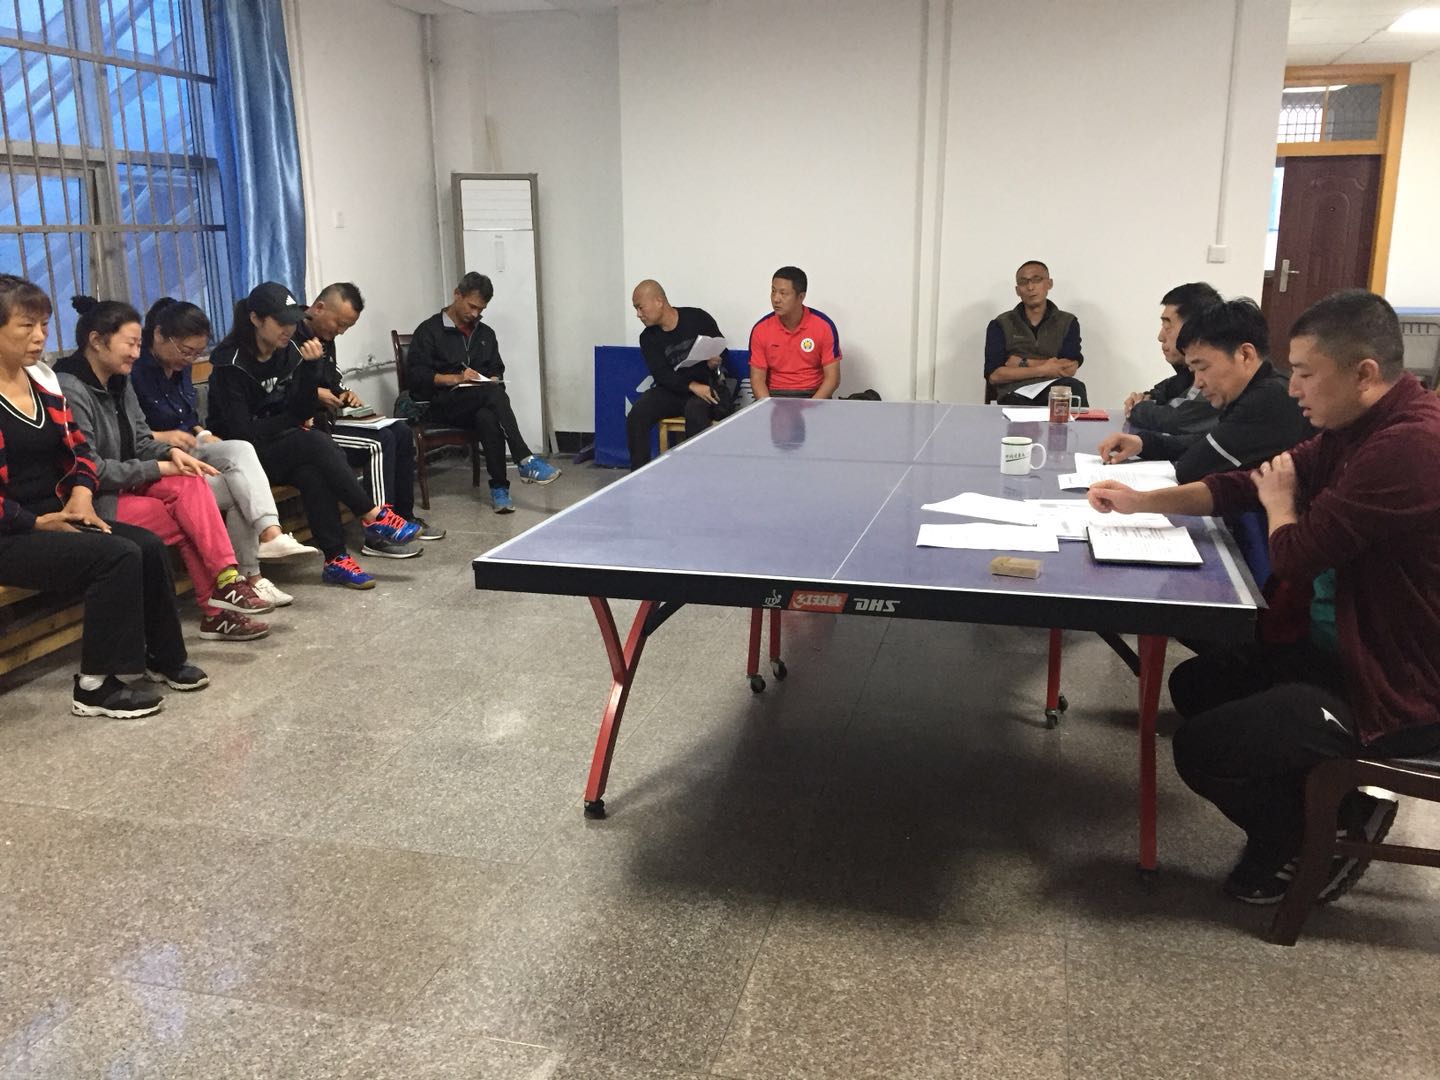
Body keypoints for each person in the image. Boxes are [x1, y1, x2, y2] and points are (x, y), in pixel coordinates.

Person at [1088, 289, 1440, 905]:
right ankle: (1330, 796)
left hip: (1400, 688)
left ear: (1364, 374)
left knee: (1203, 749)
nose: (1293, 388)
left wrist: (1280, 503)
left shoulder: (1409, 446)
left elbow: (1295, 553)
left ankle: (1321, 836)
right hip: (1351, 649)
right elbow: (1244, 484)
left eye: (1305, 373)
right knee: (1198, 685)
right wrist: (1142, 502)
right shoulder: (1357, 426)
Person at [0, 276, 207, 716]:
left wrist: (80, 494)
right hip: (11, 530)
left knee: (146, 545)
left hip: (57, 514)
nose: (39, 336)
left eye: (44, 324)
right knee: (115, 556)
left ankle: (163, 657)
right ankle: (94, 685)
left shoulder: (41, 381)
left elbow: (79, 451)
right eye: (25, 326)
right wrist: (34, 522)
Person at [57, 297, 275, 642]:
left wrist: (172, 454)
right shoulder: (70, 388)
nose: (136, 353)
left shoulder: (119, 381)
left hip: (128, 485)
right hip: (97, 500)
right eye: (130, 344)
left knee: (190, 482)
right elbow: (92, 469)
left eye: (138, 345)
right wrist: (158, 466)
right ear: (96, 341)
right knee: (188, 517)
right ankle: (217, 610)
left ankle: (228, 582)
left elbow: (142, 440)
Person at [207, 282, 421, 589]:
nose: (289, 329)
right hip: (240, 458)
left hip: (277, 444)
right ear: (255, 319)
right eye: (281, 322)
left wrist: (310, 368)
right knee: (313, 441)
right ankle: (372, 514)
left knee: (312, 472)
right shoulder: (231, 363)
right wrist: (290, 420)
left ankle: (336, 560)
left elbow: (302, 408)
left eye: (292, 321)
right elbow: (243, 433)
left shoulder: (287, 352)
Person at [130, 297, 318, 608]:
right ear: (160, 335)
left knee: (240, 448)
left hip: (191, 446)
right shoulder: (133, 374)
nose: (190, 359)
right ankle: (250, 576)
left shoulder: (179, 368)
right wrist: (164, 437)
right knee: (235, 486)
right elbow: (130, 435)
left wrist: (203, 434)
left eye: (196, 353)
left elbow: (188, 419)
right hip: (158, 458)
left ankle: (270, 535)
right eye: (185, 351)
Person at [290, 282, 443, 544]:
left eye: (347, 327)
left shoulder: (326, 338)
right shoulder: (289, 337)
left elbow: (331, 381)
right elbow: (285, 388)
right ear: (319, 308)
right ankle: (378, 534)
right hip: (308, 428)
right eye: (339, 324)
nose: (340, 332)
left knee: (400, 431)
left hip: (329, 420)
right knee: (379, 442)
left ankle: (403, 516)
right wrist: (314, 393)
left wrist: (343, 393)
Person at [1096, 299, 1311, 485]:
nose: (1197, 383)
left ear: (1245, 355)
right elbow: (1206, 440)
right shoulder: (1261, 387)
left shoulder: (1268, 399)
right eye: (1193, 370)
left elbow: (1190, 469)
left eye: (1203, 368)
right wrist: (1143, 444)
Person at [406, 272, 561, 513]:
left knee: (487, 414)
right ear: (457, 295)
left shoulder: (485, 334)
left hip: (475, 402)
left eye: (481, 309)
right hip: (440, 405)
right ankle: (524, 459)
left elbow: (496, 369)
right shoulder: (429, 331)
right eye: (472, 306)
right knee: (491, 395)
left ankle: (500, 489)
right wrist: (457, 378)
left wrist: (493, 378)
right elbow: (417, 377)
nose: (475, 313)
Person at [626, 279, 732, 469]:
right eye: (636, 309)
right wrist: (691, 386)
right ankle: (637, 473)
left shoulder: (698, 318)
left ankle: (695, 472)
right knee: (638, 413)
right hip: (674, 390)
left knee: (695, 410)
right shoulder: (648, 337)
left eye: (641, 308)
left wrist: (715, 360)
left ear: (659, 301)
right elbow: (662, 375)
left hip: (705, 386)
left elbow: (722, 349)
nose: (638, 314)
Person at [1123, 282, 1224, 435]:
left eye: (1168, 326)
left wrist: (1138, 408)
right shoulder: (1187, 373)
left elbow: (1176, 421)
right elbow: (1166, 389)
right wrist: (1149, 398)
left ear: (1193, 328)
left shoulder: (1219, 378)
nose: (1160, 337)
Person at [983, 260, 1086, 406]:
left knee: (1074, 389)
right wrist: (1043, 369)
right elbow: (995, 375)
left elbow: (1069, 368)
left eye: (1037, 280)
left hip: (1055, 392)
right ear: (1017, 290)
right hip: (1015, 393)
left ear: (1049, 284)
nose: (1030, 287)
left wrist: (1022, 362)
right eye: (1023, 282)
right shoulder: (1000, 324)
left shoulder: (1067, 322)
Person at [748, 266, 841, 401]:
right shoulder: (761, 329)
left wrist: (810, 407)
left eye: (783, 293)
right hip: (775, 395)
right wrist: (768, 407)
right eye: (773, 291)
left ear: (801, 297)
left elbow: (832, 379)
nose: (776, 299)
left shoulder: (824, 326)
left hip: (813, 395)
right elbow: (757, 380)